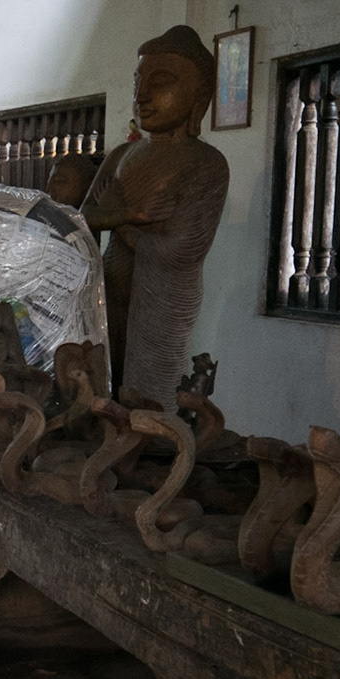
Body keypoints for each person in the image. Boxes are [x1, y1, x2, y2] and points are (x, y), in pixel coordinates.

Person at [81, 25, 229, 401]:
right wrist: (130, 214)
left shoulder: (206, 163)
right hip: (110, 284)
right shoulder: (121, 155)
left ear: (199, 95)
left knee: (147, 396)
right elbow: (82, 218)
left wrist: (121, 224)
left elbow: (183, 250)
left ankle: (151, 447)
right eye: (137, 83)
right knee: (102, 383)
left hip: (163, 296)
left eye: (160, 82)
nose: (142, 95)